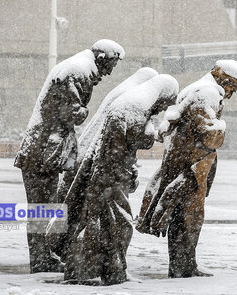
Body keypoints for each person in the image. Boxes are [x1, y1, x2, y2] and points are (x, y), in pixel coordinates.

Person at [47, 74, 179, 285]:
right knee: (116, 227)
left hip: (108, 174)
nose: (163, 109)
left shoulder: (133, 104)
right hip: (111, 177)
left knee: (100, 226)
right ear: (162, 95)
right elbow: (137, 140)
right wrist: (154, 132)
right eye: (165, 103)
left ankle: (95, 270)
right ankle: (107, 271)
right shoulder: (135, 108)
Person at [14, 39, 124, 273]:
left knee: (43, 208)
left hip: (42, 148)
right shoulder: (79, 71)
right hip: (44, 151)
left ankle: (44, 257)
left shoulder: (78, 67)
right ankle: (42, 260)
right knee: (43, 208)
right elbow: (71, 113)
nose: (109, 73)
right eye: (111, 66)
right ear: (102, 58)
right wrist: (85, 111)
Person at [136, 60, 237, 278]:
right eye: (233, 86)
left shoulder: (195, 89)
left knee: (183, 216)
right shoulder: (208, 93)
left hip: (181, 162)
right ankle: (182, 267)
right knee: (189, 218)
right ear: (225, 79)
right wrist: (221, 129)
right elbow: (208, 135)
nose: (232, 92)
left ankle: (184, 264)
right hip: (191, 167)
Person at [56, 67, 158, 203]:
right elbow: (137, 140)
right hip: (101, 164)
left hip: (94, 158)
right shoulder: (132, 100)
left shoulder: (122, 93)